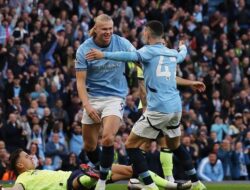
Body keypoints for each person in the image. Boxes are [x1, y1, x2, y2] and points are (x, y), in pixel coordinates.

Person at [86, 20, 206, 190]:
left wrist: (103, 55)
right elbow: (182, 55)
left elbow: (126, 56)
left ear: (148, 34)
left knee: (130, 146)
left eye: (144, 31)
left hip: (158, 108)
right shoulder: (171, 53)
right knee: (175, 145)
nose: (143, 34)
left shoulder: (147, 51)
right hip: (176, 108)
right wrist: (183, 46)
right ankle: (196, 183)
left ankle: (149, 185)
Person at [75, 14, 136, 190]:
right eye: (104, 29)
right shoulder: (84, 49)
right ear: (96, 29)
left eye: (111, 28)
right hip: (93, 98)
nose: (108, 32)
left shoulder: (121, 42)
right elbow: (80, 82)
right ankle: (101, 168)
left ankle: (102, 180)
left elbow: (137, 56)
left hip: (115, 97)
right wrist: (86, 105)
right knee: (89, 145)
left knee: (108, 138)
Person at [0, 149, 192, 190]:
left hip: (72, 174)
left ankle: (171, 185)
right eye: (26, 157)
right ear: (20, 165)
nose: (30, 157)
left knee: (131, 170)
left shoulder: (37, 171)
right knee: (83, 180)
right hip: (68, 185)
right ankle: (93, 176)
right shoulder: (22, 179)